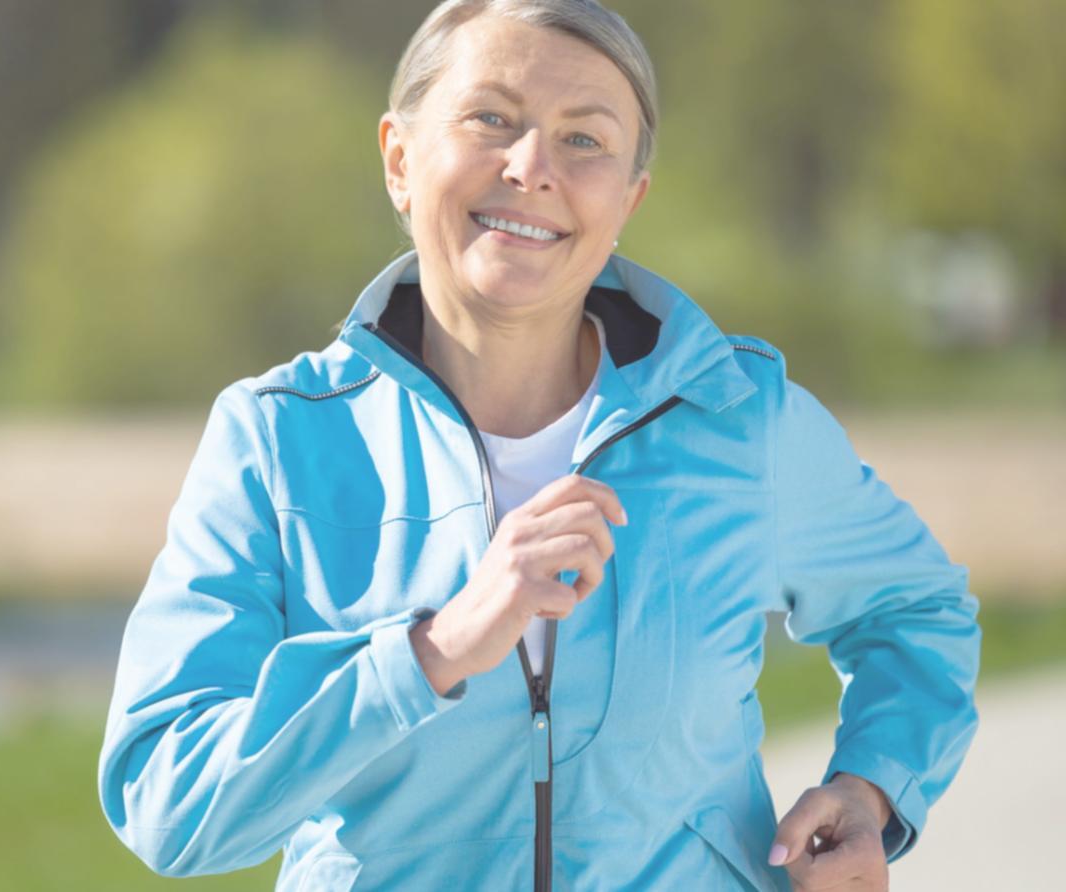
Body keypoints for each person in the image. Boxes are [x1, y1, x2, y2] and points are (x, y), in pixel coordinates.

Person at [97, 1, 982, 889]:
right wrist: (436, 648)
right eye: (491, 119)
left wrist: (869, 792)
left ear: (629, 200)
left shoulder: (741, 417)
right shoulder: (278, 438)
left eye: (585, 140)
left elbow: (915, 614)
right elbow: (168, 805)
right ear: (400, 160)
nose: (532, 169)